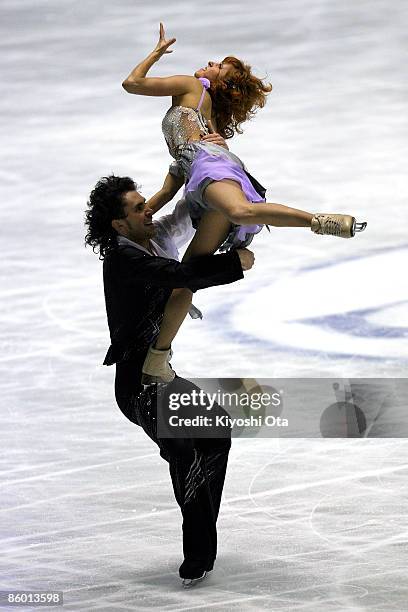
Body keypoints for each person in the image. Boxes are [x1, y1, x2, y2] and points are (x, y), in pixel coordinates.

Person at [121, 23, 367, 383]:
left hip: (211, 169)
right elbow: (170, 183)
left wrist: (156, 53)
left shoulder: (192, 87)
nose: (209, 63)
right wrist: (140, 217)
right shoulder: (207, 119)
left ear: (219, 84)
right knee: (185, 280)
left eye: (219, 66)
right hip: (200, 175)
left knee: (238, 210)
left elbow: (132, 84)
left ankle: (321, 221)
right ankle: (158, 359)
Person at [84, 174, 255, 587]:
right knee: (184, 451)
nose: (148, 210)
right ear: (119, 226)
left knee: (215, 429)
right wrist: (236, 264)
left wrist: (210, 173)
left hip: (162, 376)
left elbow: (188, 211)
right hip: (138, 385)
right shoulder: (124, 259)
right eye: (138, 208)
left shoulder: (152, 235)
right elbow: (181, 277)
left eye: (146, 202)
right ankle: (196, 553)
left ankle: (201, 538)